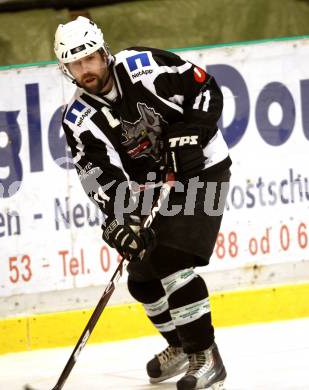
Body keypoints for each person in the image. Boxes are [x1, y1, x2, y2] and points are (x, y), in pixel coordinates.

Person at [54, 16, 231, 390]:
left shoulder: (144, 66)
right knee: (143, 280)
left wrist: (188, 135)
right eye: (75, 64)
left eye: (90, 58)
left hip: (205, 170)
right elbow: (97, 176)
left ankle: (206, 356)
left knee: (171, 259)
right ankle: (181, 346)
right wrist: (121, 221)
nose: (86, 69)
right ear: (65, 69)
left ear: (104, 52)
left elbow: (206, 88)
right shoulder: (77, 120)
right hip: (152, 188)